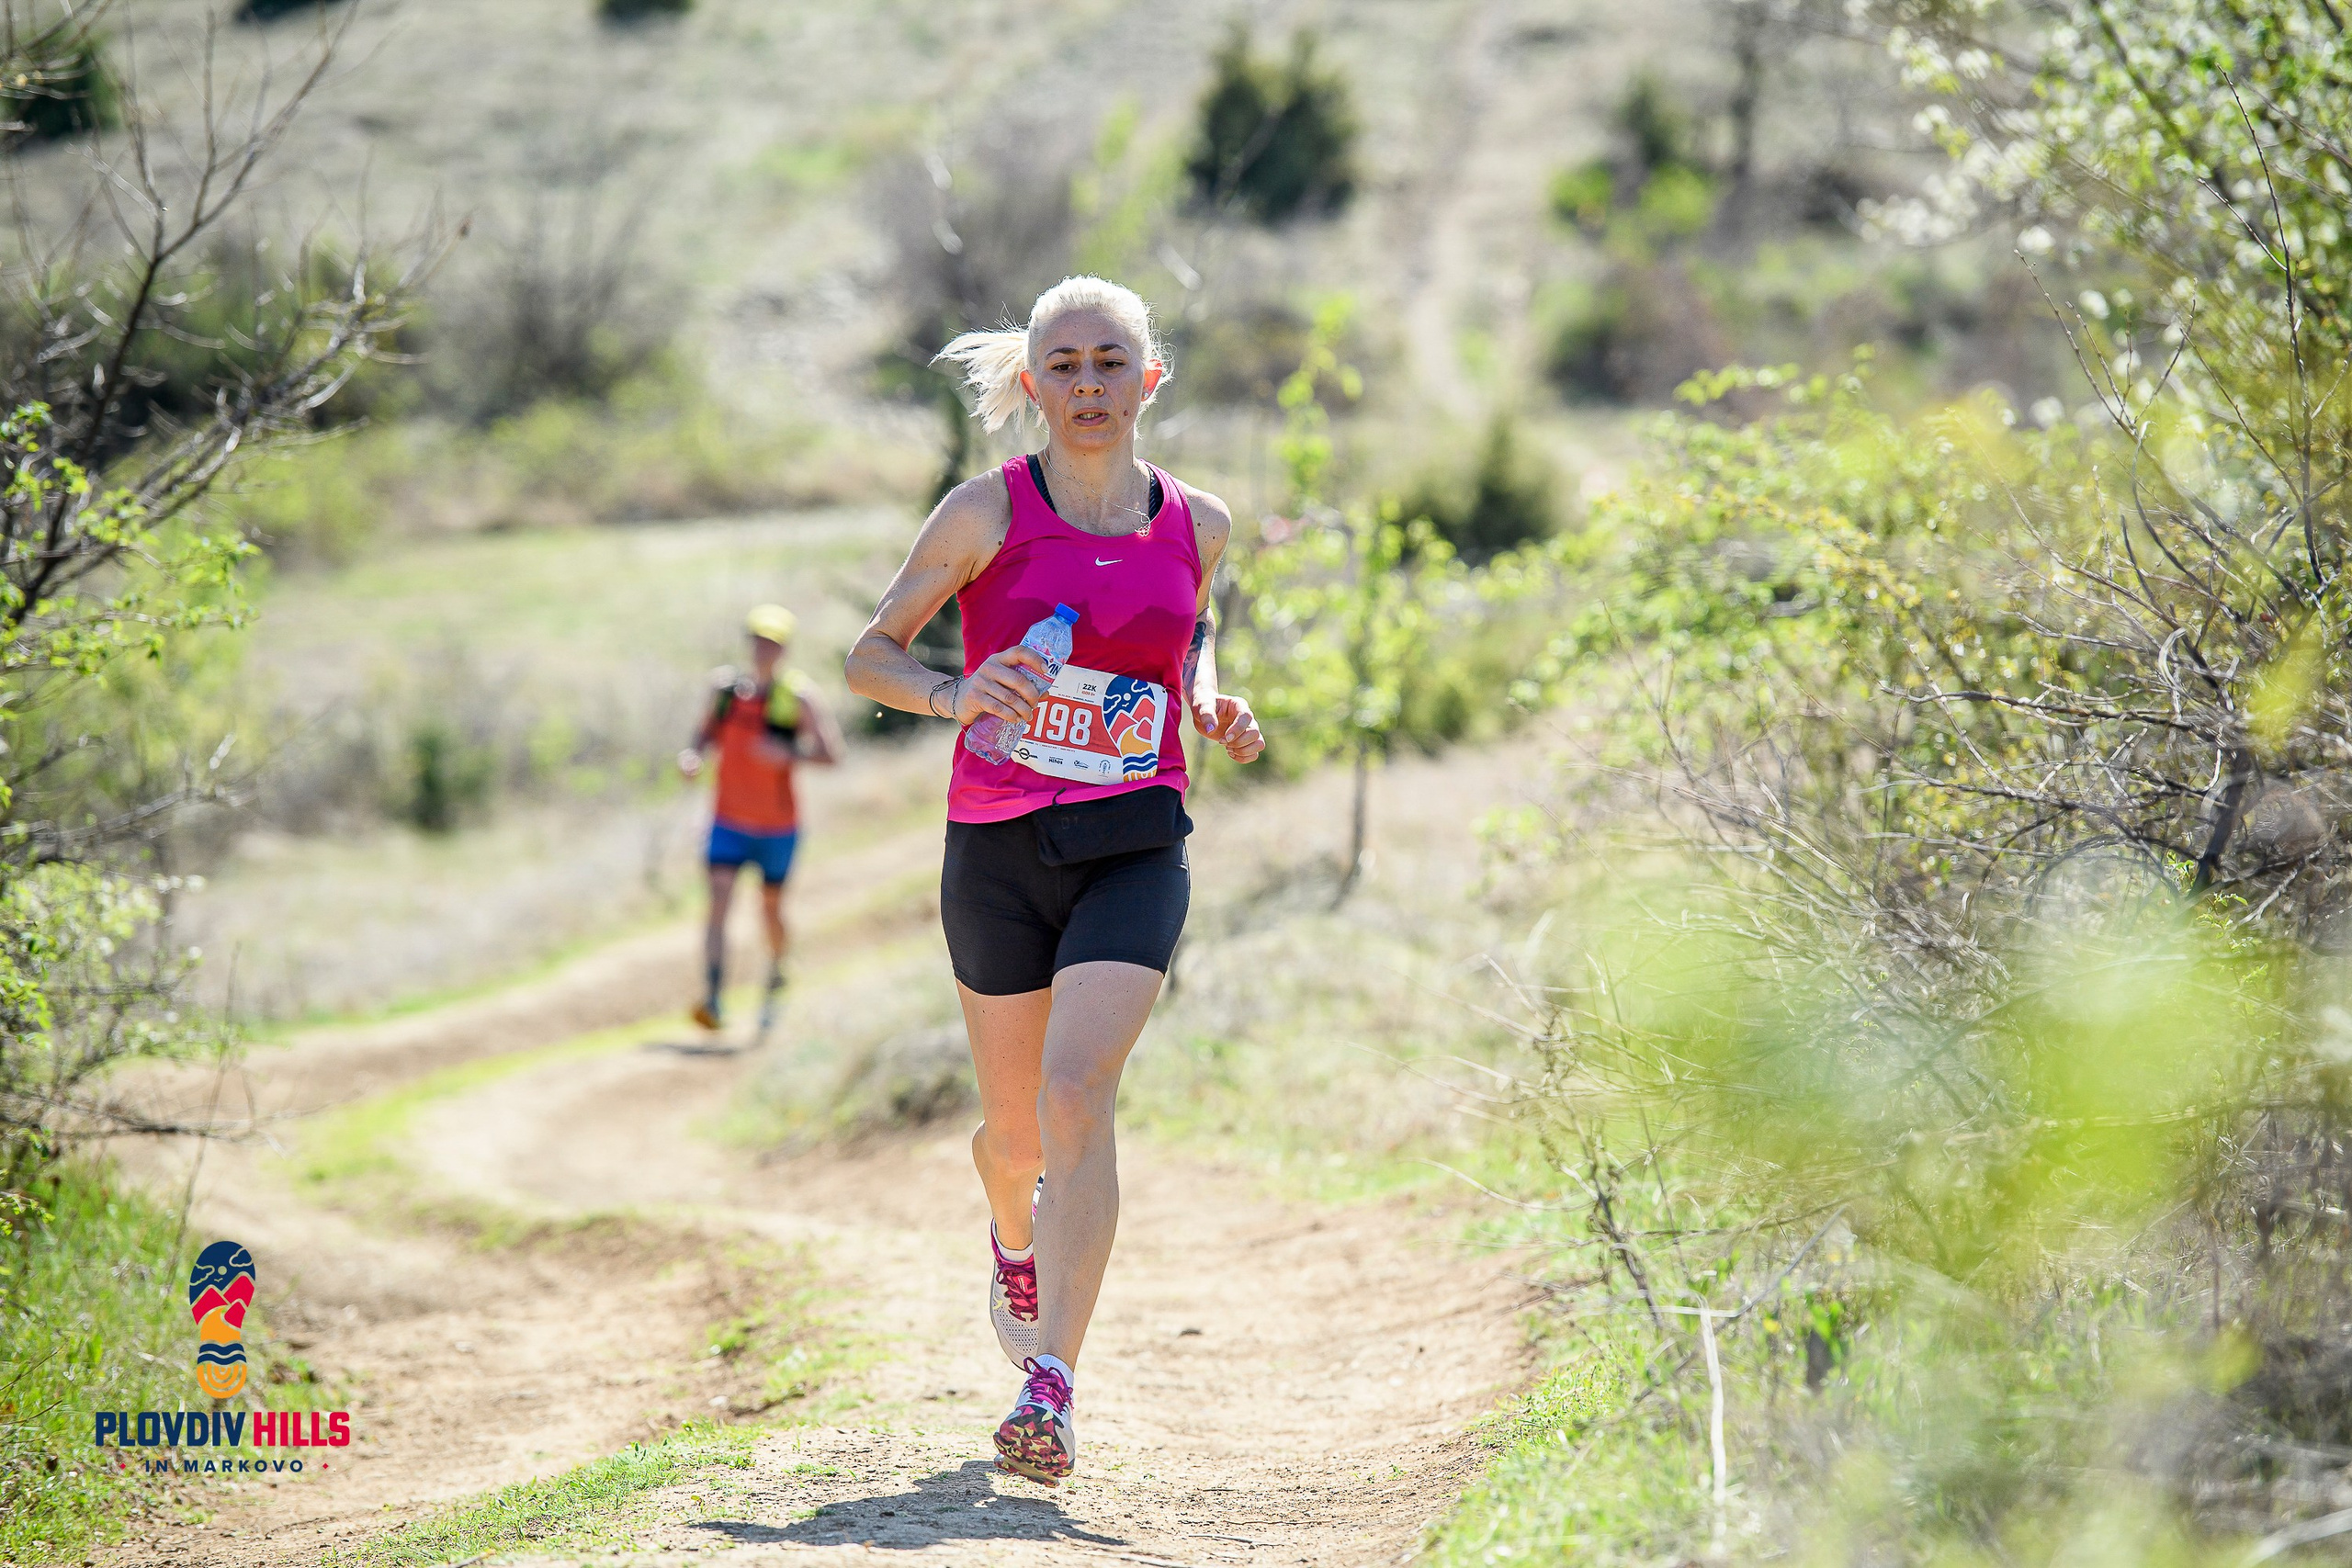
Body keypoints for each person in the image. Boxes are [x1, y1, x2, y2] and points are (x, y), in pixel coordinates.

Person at [845, 276, 1264, 1486]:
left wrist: (1204, 699)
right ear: (1033, 386)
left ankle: (1053, 1384)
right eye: (1066, 365)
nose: (1089, 383)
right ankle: (1012, 1239)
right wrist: (947, 692)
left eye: (1110, 361)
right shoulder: (985, 511)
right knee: (1016, 1128)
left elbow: (1190, 631)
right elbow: (870, 649)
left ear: (1151, 377)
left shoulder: (1202, 518)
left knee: (1080, 1092)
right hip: (997, 849)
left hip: (1135, 836)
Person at [679, 604, 842, 1037]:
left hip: (777, 827)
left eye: (772, 642)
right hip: (727, 821)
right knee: (717, 902)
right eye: (758, 640)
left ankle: (776, 976)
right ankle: (713, 998)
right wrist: (692, 756)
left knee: (770, 911)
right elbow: (702, 734)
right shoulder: (726, 690)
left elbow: (832, 754)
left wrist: (787, 753)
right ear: (749, 643)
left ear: (784, 648)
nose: (763, 649)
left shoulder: (799, 697)